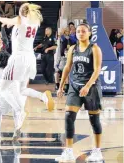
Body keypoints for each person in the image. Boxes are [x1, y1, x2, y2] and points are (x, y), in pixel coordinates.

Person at [0, 3, 55, 140]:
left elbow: (11, 20)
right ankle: (43, 97)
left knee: (1, 89)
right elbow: (16, 25)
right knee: (22, 89)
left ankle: (19, 110)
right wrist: (9, 24)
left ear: (21, 12)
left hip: (18, 58)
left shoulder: (20, 20)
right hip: (30, 59)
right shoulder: (35, 22)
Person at [55, 23, 103, 162]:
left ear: (89, 33)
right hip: (75, 87)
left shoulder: (94, 48)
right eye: (78, 31)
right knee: (69, 116)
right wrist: (61, 86)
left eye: (83, 31)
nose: (80, 33)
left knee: (94, 119)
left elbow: (97, 70)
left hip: (91, 87)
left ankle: (97, 151)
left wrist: (88, 86)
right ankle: (69, 151)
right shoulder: (72, 49)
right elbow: (67, 67)